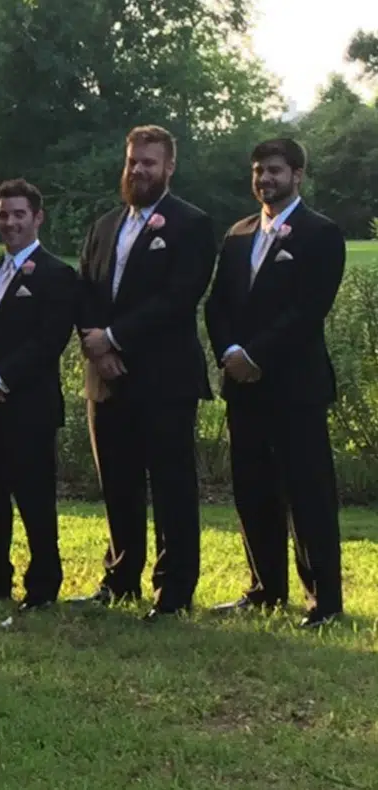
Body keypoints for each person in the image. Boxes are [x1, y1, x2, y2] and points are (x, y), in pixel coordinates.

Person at [74, 125, 216, 621]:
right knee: (117, 482)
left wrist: (114, 338)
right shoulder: (105, 224)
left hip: (163, 379)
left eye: (149, 163)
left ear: (169, 167)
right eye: (133, 161)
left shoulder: (192, 225)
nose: (138, 170)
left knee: (172, 485)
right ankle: (120, 578)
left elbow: (178, 298)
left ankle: (174, 590)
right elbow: (85, 290)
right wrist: (95, 347)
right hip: (106, 380)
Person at [204, 137, 345, 629]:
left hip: (295, 389)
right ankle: (265, 589)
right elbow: (216, 304)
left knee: (308, 494)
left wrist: (255, 354)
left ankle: (324, 601)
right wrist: (228, 353)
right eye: (259, 170)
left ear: (298, 176)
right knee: (253, 492)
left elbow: (307, 310)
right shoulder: (238, 234)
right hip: (243, 389)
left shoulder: (321, 234)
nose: (265, 178)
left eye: (276, 170)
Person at [0, 180, 75, 611]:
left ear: (37, 218)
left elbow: (48, 342)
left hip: (29, 407)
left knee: (35, 498)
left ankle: (43, 584)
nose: (10, 223)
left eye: (19, 214)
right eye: (4, 215)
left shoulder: (58, 275)